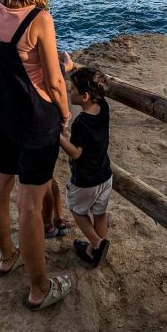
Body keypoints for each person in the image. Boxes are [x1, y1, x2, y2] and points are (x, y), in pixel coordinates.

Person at [0, 0, 72, 310]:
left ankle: (7, 256)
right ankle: (39, 289)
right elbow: (53, 81)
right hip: (34, 121)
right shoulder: (39, 19)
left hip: (0, 113)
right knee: (30, 206)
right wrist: (65, 115)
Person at [59, 67, 112, 268]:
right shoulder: (103, 105)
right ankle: (95, 251)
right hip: (105, 175)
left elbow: (75, 153)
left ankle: (97, 243)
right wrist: (73, 67)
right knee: (100, 212)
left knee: (76, 209)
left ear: (85, 96)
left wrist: (59, 136)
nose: (69, 91)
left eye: (72, 89)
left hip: (86, 179)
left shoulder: (81, 121)